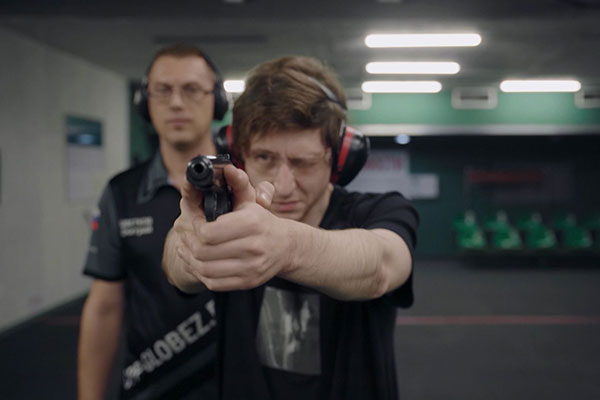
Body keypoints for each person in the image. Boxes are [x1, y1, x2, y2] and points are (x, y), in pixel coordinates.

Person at [162, 56, 419, 400]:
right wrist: (195, 248)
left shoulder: (380, 210)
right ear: (239, 155)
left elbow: (381, 267)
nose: (283, 186)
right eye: (264, 158)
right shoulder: (227, 217)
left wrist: (288, 248)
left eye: (304, 162)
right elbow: (174, 259)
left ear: (339, 159)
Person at [78, 44, 228, 400]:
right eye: (162, 90)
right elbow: (105, 306)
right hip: (152, 385)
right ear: (145, 103)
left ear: (218, 101)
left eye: (191, 89)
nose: (176, 103)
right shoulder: (122, 193)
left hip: (238, 383)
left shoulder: (245, 184)